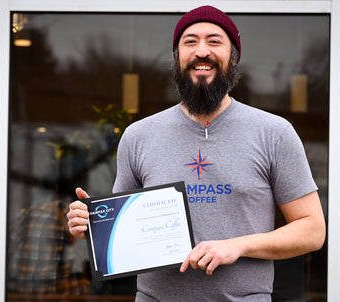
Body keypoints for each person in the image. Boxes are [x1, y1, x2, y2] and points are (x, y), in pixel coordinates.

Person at [67, 5, 326, 301]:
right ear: (177, 58)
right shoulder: (138, 135)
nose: (202, 51)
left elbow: (312, 231)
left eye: (215, 41)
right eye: (190, 42)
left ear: (233, 57)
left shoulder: (274, 133)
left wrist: (237, 246)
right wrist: (93, 225)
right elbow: (123, 234)